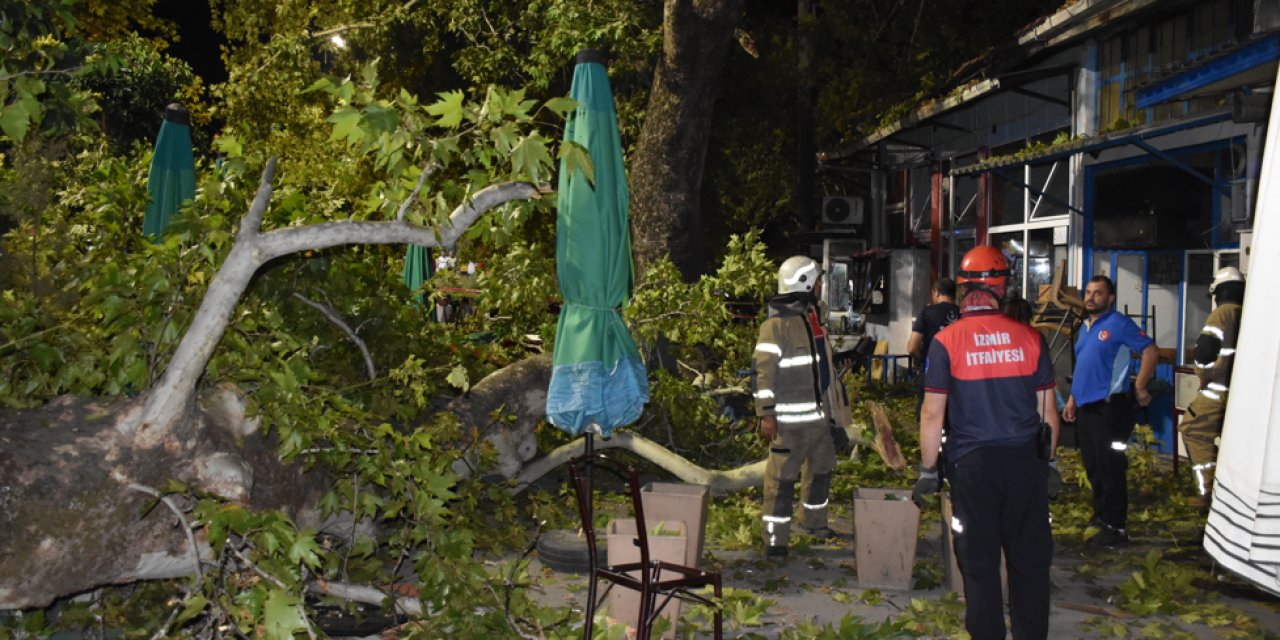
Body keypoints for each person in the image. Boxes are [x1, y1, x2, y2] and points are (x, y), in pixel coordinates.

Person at [912, 245, 1059, 640]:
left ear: (963, 287)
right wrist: (1051, 464)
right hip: (1025, 465)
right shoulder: (1030, 338)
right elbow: (1048, 412)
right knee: (1029, 562)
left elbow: (932, 414)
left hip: (972, 468)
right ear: (1002, 287)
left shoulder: (946, 341)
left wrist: (928, 470)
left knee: (979, 565)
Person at [752, 255, 853, 559]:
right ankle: (775, 541)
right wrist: (766, 414)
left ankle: (814, 524)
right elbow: (763, 374)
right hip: (789, 424)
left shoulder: (814, 318)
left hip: (820, 421)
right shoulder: (776, 327)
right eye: (818, 281)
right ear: (805, 284)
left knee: (821, 472)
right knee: (781, 483)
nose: (821, 286)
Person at [1062, 275, 1159, 547]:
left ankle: (1116, 527)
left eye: (1098, 293)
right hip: (1086, 410)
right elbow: (1083, 367)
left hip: (1110, 410)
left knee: (1111, 467)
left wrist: (1140, 386)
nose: (1091, 298)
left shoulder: (1119, 324)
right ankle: (1102, 517)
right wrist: (1072, 400)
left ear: (1110, 298)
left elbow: (1151, 351)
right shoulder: (1085, 326)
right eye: (1089, 293)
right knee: (1093, 467)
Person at [1179, 266, 1244, 508]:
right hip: (1241, 394)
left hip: (1217, 391)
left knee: (1193, 429)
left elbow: (1205, 351)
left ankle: (1210, 492)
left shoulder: (1222, 314)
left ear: (1218, 291)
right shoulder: (1250, 313)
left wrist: (1202, 374)